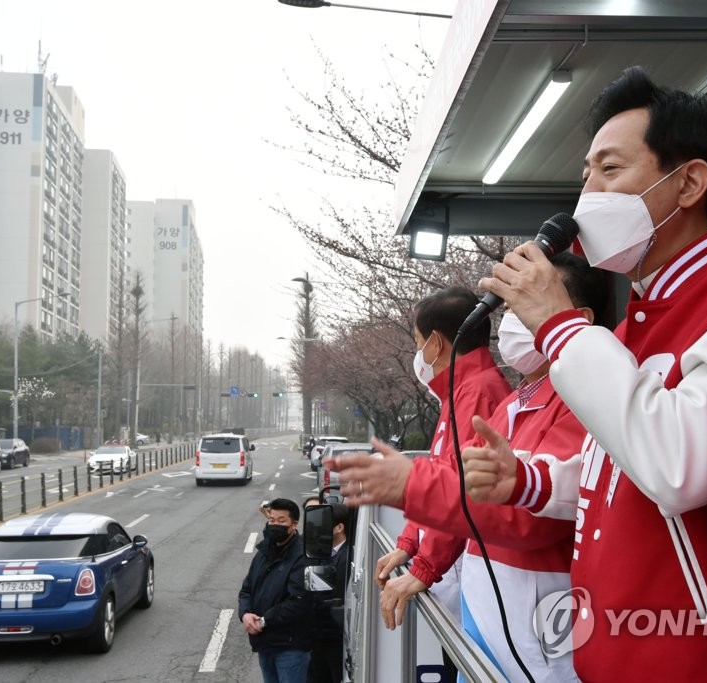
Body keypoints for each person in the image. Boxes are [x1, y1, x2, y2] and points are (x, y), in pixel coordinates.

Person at [457, 66, 707, 681]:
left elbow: (678, 465)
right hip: (606, 652)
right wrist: (531, 483)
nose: (588, 196)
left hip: (691, 659)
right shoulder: (628, 326)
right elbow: (616, 478)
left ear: (690, 181)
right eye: (586, 175)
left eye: (610, 171)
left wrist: (559, 326)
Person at [329, 252, 609, 682]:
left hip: (531, 626)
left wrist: (421, 548)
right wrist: (412, 539)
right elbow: (458, 482)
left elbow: (523, 514)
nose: (511, 323)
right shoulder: (515, 397)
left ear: (579, 319)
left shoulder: (568, 397)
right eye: (510, 309)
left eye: (524, 306)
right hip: (491, 608)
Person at [376, 285, 512, 679]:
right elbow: (441, 480)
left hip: (467, 571)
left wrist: (422, 567)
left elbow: (462, 492)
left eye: (419, 343)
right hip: (455, 568)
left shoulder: (479, 394)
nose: (419, 355)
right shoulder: (461, 392)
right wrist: (408, 543)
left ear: (435, 342)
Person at [238, 498, 313, 683]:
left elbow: (298, 602)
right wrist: (245, 614)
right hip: (265, 643)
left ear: (294, 524)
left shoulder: (303, 555)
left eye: (281, 521)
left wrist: (263, 622)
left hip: (291, 646)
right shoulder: (264, 552)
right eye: (271, 520)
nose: (274, 525)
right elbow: (247, 589)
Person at [309, 503, 351, 683]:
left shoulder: (348, 556)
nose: (317, 528)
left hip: (334, 634)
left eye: (323, 524)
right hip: (319, 634)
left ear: (339, 528)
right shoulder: (321, 549)